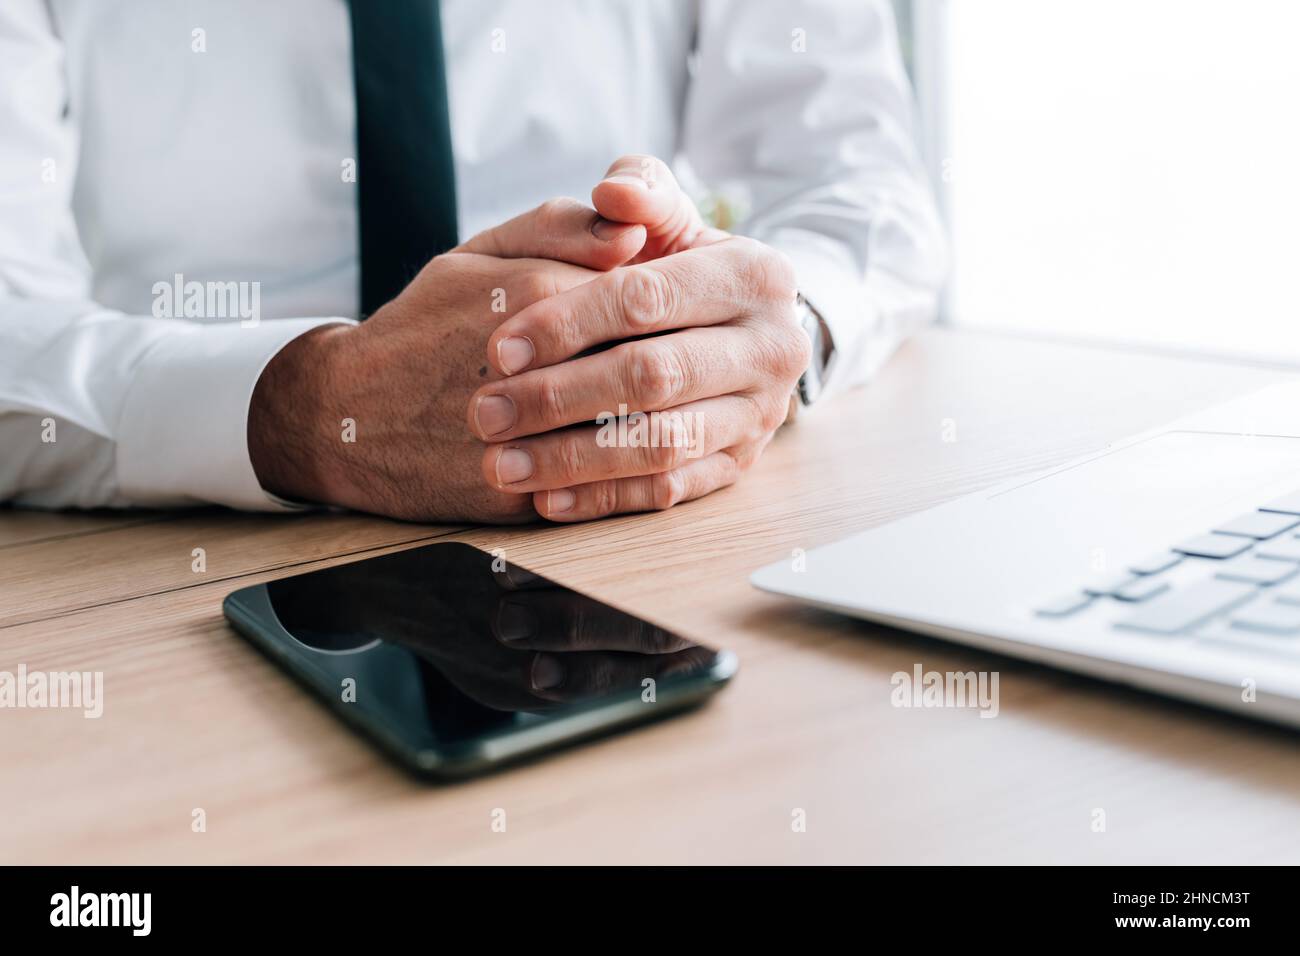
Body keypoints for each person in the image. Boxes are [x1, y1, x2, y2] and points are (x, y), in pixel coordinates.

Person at [0, 0, 946, 523]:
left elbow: (858, 190)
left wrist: (756, 339)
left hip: (641, 513)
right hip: (172, 552)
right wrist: (309, 408)